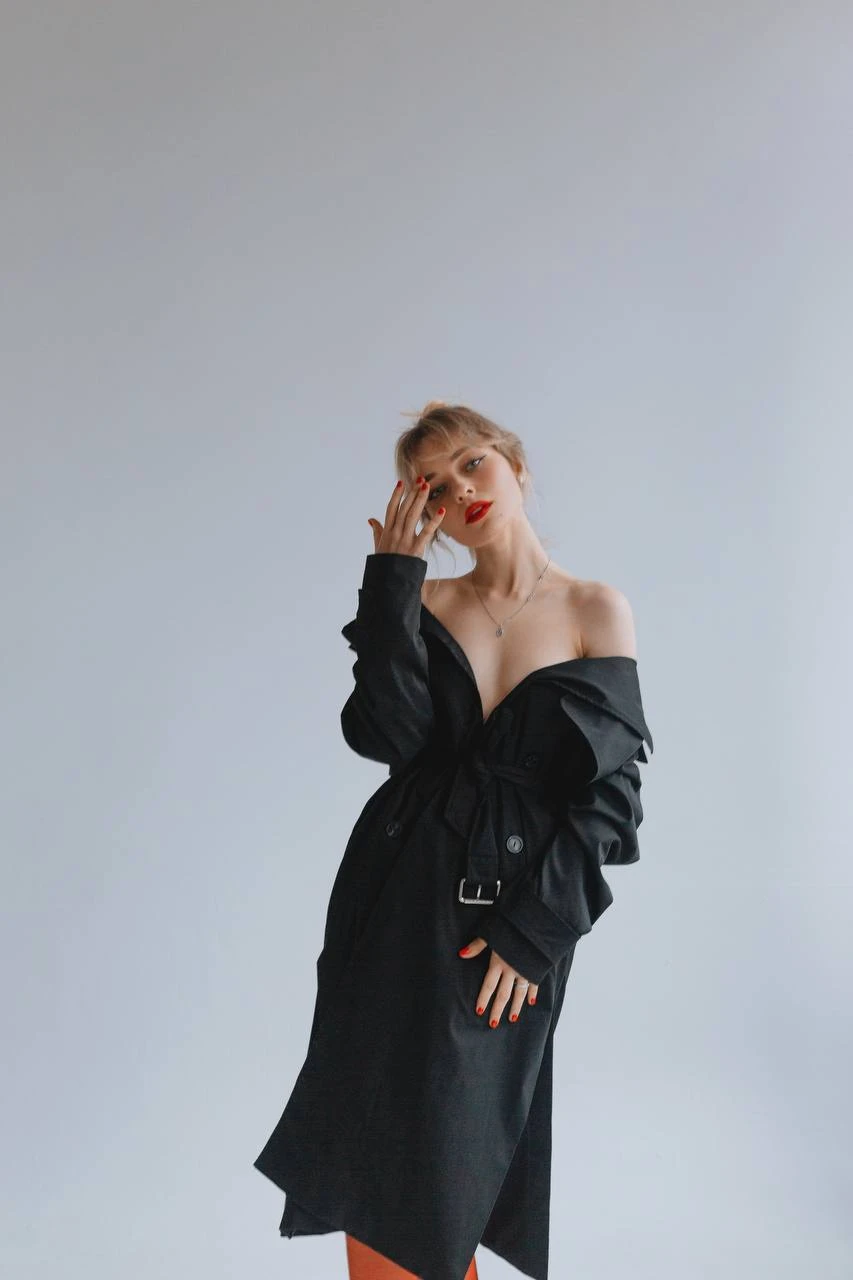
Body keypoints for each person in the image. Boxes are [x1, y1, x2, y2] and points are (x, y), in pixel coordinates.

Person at [253, 402, 654, 1280]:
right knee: (373, 1142)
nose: (459, 490)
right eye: (432, 485)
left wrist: (533, 932)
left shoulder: (594, 608)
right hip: (395, 897)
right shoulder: (425, 602)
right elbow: (389, 737)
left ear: (515, 464)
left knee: (452, 1154)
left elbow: (609, 801)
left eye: (472, 463)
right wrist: (391, 583)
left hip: (511, 919)